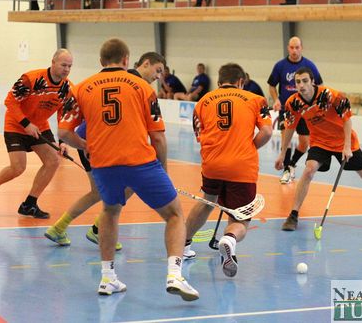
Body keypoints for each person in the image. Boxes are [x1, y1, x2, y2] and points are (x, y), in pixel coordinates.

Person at [58, 39, 198, 301]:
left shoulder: (81, 88)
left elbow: (64, 133)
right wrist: (163, 170)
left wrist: (85, 145)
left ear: (101, 61)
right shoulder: (142, 87)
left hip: (103, 165)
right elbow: (158, 137)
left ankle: (107, 278)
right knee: (174, 214)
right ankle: (174, 275)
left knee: (110, 211)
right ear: (126, 60)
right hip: (140, 163)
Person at [45, 52, 167, 248]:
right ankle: (96, 229)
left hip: (89, 139)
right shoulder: (135, 83)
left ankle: (62, 227)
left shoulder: (125, 79)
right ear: (146, 63)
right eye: (157, 70)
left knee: (100, 192)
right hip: (96, 142)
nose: (158, 76)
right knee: (131, 184)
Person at [276, 68, 362, 231]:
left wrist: (346, 146)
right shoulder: (293, 103)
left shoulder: (331, 95)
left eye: (305, 81)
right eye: (298, 82)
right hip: (320, 142)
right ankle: (293, 215)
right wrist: (283, 153)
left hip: (343, 142)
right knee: (309, 170)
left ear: (313, 81)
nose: (301, 85)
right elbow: (290, 128)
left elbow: (347, 120)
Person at [183, 63, 272, 277]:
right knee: (240, 219)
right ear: (241, 82)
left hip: (212, 165)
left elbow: (199, 135)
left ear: (219, 81)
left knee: (207, 201)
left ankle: (182, 245)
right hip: (242, 167)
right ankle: (229, 239)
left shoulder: (202, 102)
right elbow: (267, 131)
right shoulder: (255, 99)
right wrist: (250, 147)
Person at [0, 49, 74, 218]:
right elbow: (10, 101)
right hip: (16, 124)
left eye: (70, 66)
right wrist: (26, 124)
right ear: (53, 62)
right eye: (63, 65)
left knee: (53, 161)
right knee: (18, 168)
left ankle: (29, 204)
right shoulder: (31, 78)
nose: (66, 69)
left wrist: (62, 141)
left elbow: (63, 114)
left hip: (40, 126)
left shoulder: (67, 88)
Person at [268, 36, 322, 183]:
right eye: (291, 47)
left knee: (304, 143)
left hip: (305, 110)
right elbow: (272, 86)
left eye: (297, 47)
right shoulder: (280, 66)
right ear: (288, 48)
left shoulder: (309, 65)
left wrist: (315, 103)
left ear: (301, 48)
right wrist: (276, 99)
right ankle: (286, 170)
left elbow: (319, 85)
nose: (294, 50)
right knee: (285, 140)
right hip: (287, 109)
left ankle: (292, 164)